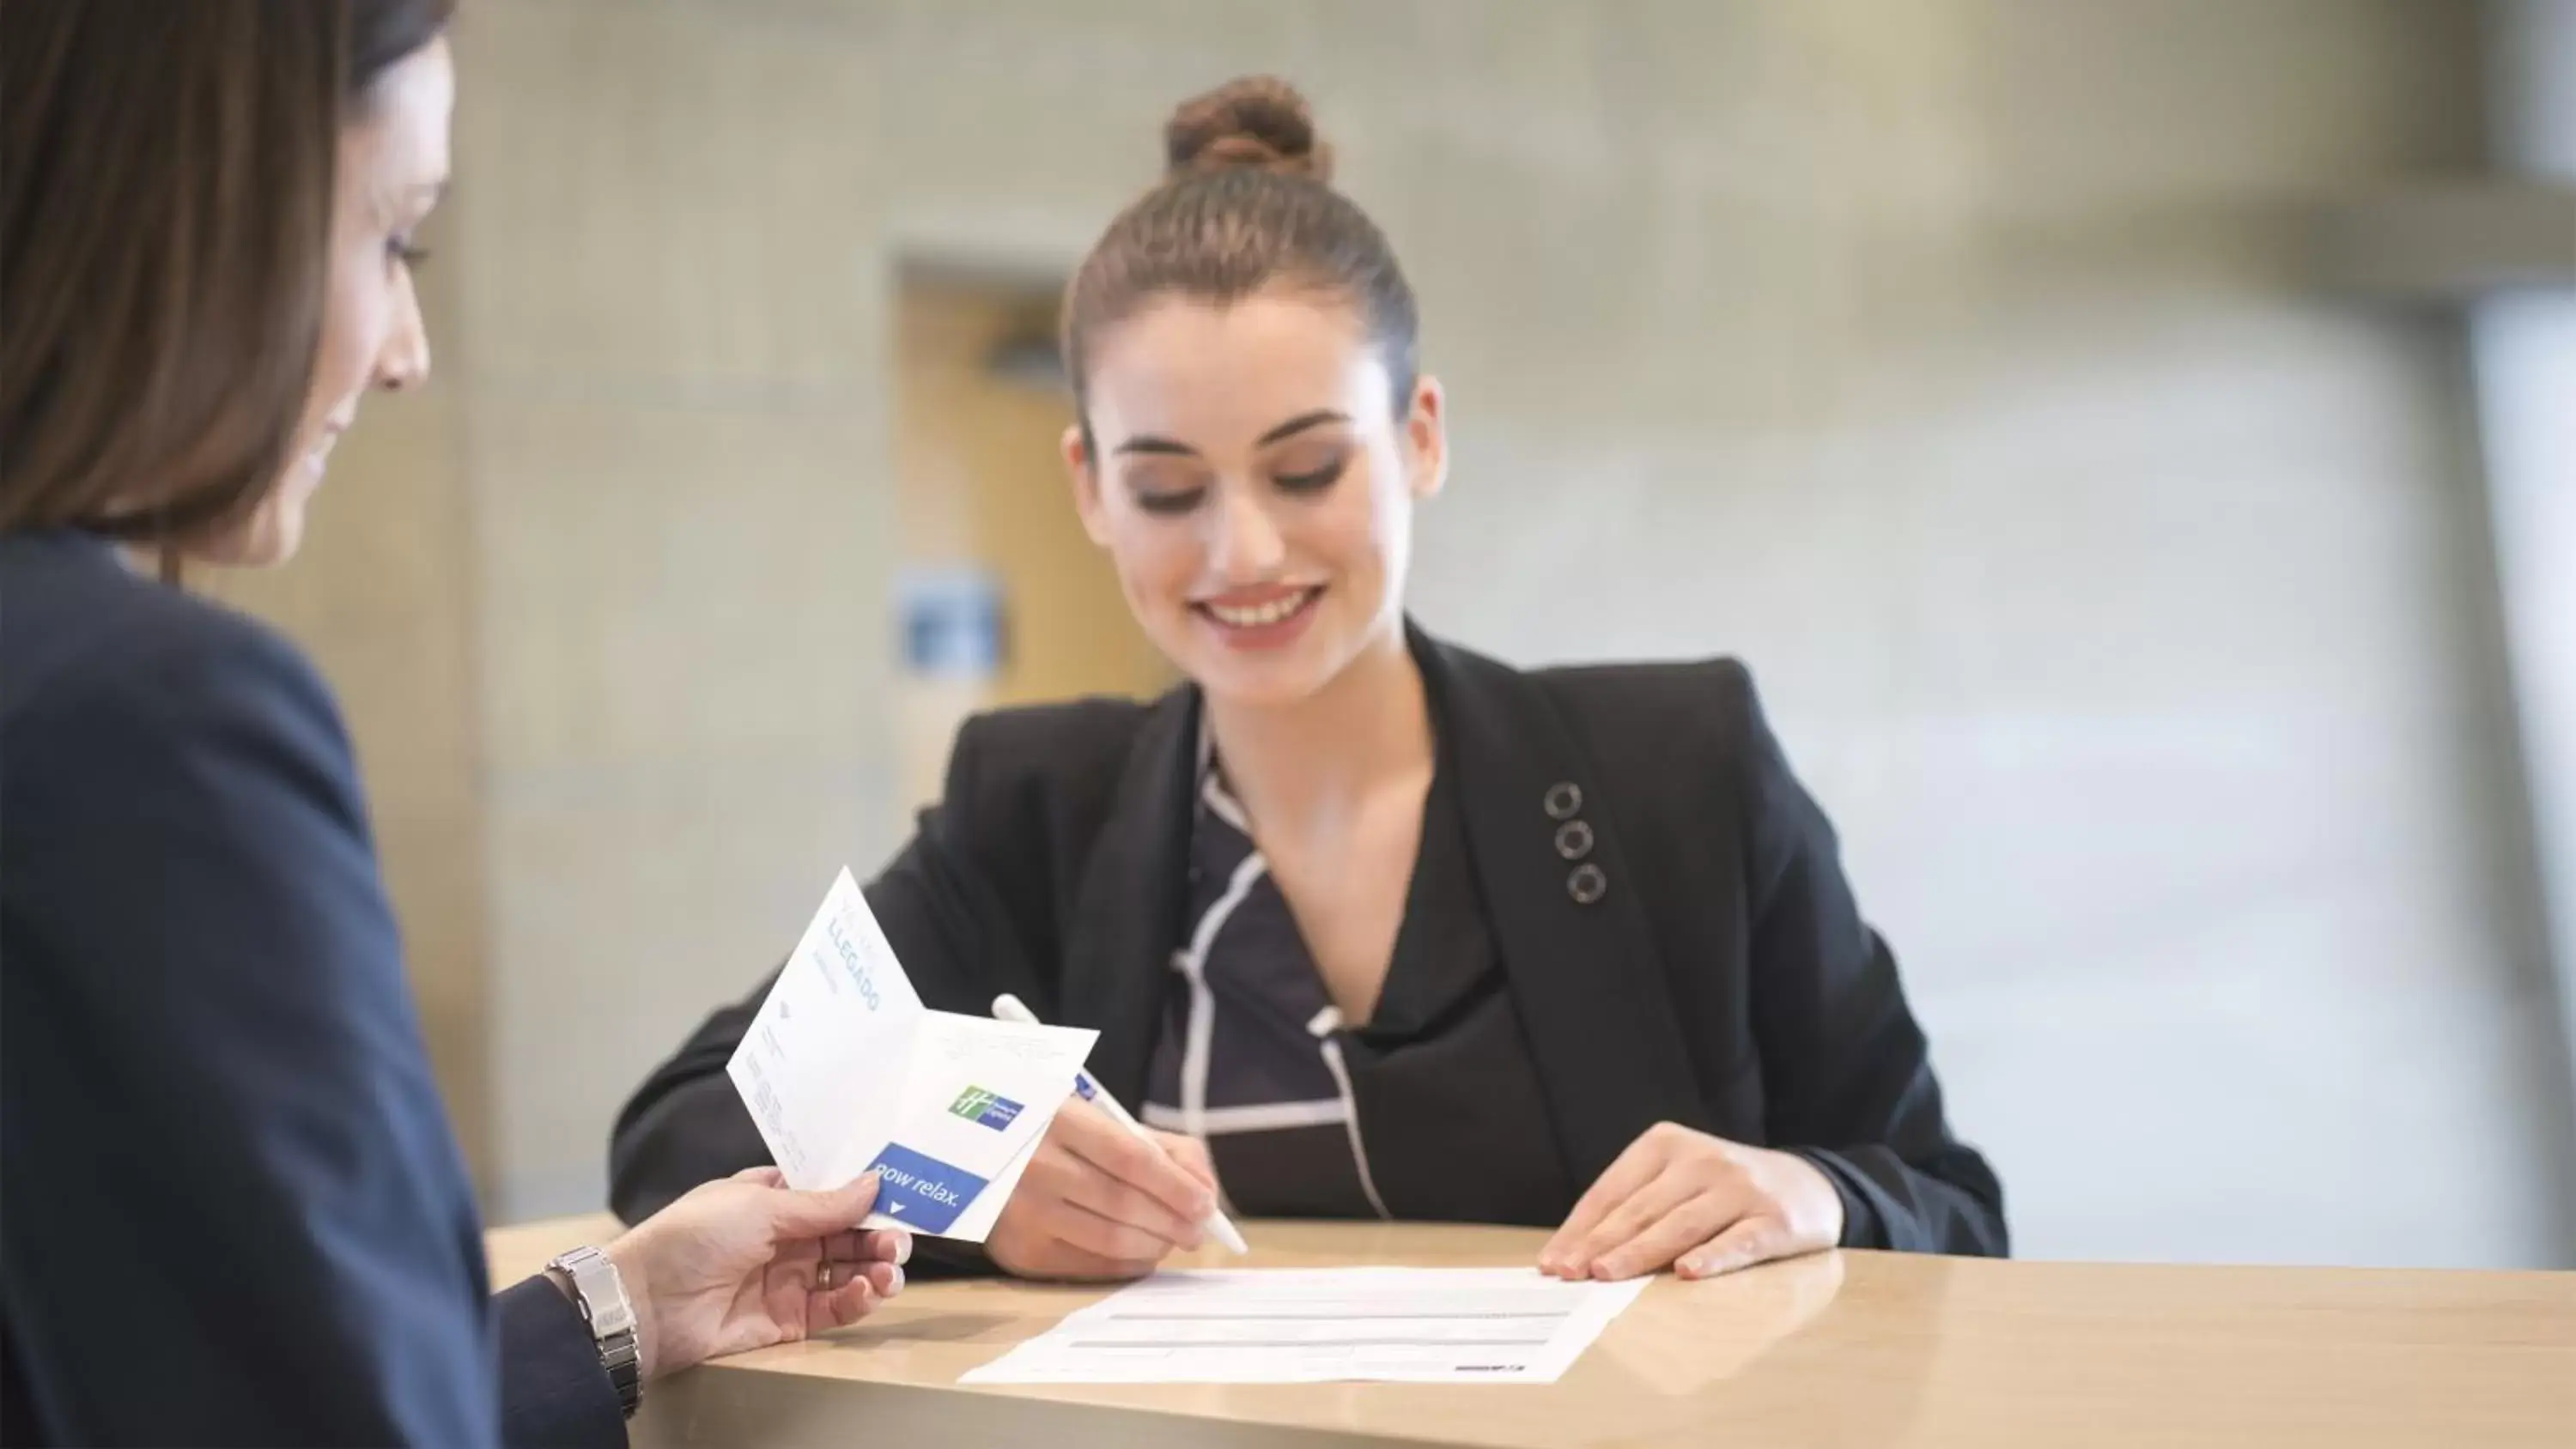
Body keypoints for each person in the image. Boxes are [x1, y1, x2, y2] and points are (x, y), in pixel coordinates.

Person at [611, 76, 2006, 1286]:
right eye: (1167, 488)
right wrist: (965, 1183)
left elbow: (1953, 1204)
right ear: (1089, 488)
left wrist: (1810, 1195)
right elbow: (685, 1122)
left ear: (1420, 438)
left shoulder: (1678, 770)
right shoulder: (1037, 805)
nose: (1243, 551)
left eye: (1306, 469)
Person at [0, 3, 909, 1445]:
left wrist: (623, 1310)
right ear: (198, 212)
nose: (406, 352)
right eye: (392, 238)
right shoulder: (148, 724)